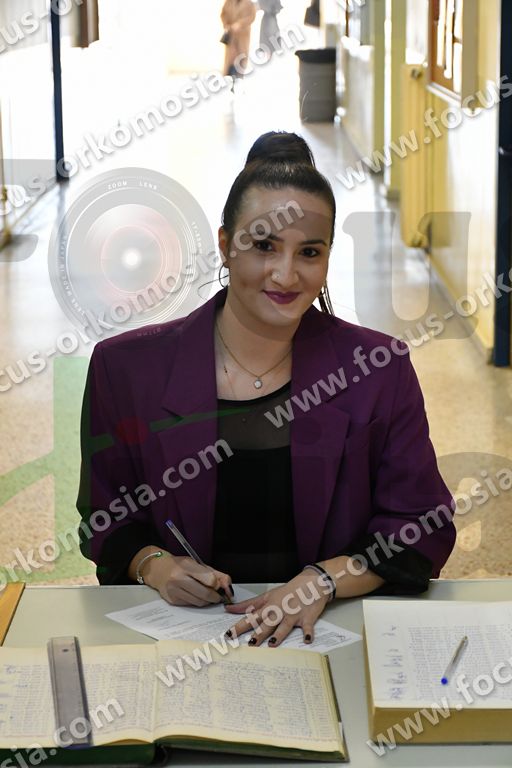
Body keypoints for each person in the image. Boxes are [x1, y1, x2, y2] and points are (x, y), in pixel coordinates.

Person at [76, 131, 456, 647]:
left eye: (309, 252)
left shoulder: (377, 370)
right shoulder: (125, 369)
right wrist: (154, 564)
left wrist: (323, 580)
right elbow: (106, 517)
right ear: (225, 245)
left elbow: (422, 524)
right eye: (263, 246)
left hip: (323, 635)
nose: (285, 274)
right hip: (181, 640)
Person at [220, 0, 257, 82]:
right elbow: (223, 14)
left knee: (241, 57)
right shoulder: (228, 2)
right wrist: (227, 25)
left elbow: (251, 17)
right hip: (231, 35)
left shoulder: (249, 3)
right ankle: (229, 79)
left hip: (243, 36)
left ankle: (238, 78)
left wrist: (240, 24)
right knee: (230, 59)